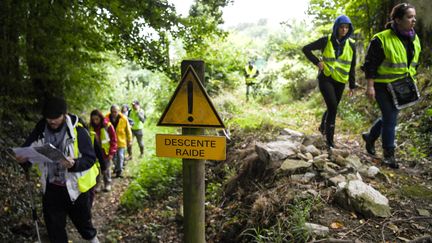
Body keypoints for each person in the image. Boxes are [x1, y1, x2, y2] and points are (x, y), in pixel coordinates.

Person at [15, 97, 99, 243]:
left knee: (85, 227)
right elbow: (28, 149)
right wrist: (24, 160)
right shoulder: (41, 128)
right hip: (51, 188)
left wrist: (74, 164)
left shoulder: (78, 130)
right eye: (49, 118)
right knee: (55, 232)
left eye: (56, 118)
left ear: (65, 114)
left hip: (76, 190)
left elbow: (90, 158)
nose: (52, 121)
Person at [361, 3, 420, 169]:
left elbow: (413, 63)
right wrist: (370, 86)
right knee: (390, 118)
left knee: (390, 116)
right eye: (409, 17)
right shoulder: (381, 38)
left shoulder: (414, 37)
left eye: (414, 17)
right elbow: (370, 64)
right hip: (382, 85)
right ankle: (389, 155)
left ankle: (370, 136)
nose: (413, 20)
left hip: (402, 86)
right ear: (397, 19)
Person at [302, 15, 356, 149]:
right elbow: (306, 49)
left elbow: (352, 65)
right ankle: (330, 141)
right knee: (333, 107)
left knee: (333, 107)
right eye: (341, 27)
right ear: (336, 28)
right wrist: (317, 62)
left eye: (346, 28)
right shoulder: (326, 41)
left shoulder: (351, 45)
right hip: (326, 78)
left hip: (340, 80)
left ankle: (322, 126)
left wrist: (352, 85)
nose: (344, 30)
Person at [89, 109, 117, 192]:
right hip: (95, 153)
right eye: (93, 119)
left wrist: (112, 152)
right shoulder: (90, 127)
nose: (95, 121)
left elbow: (114, 140)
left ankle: (107, 184)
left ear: (100, 118)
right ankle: (97, 185)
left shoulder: (108, 126)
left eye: (97, 119)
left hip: (106, 152)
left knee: (106, 169)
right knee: (96, 170)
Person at [106, 105, 132, 178]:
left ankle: (119, 171)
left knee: (120, 156)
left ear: (118, 111)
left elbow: (128, 130)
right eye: (112, 112)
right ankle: (116, 167)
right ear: (110, 111)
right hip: (110, 142)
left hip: (121, 141)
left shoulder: (123, 118)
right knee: (114, 157)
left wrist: (129, 140)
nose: (114, 113)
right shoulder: (106, 118)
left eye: (115, 112)